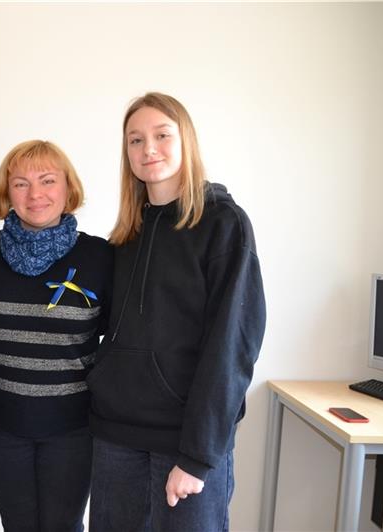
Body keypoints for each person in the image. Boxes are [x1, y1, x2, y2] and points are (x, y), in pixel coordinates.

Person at [87, 93, 266, 531]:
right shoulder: (127, 235)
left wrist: (198, 456)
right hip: (116, 440)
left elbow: (232, 347)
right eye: (135, 140)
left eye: (161, 135)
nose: (148, 149)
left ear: (186, 140)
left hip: (185, 445)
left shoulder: (224, 224)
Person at [0, 140, 113, 532]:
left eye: (48, 180)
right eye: (21, 183)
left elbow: (116, 339)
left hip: (73, 427)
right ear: (6, 192)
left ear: (68, 188)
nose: (35, 194)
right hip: (1, 423)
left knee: (63, 527)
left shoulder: (101, 257)